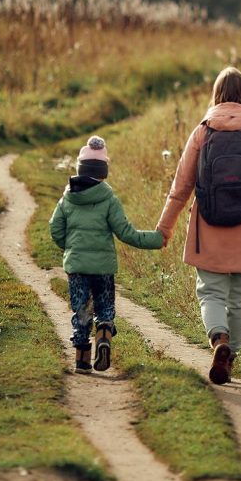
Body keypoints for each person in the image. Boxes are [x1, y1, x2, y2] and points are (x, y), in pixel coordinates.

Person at [157, 67, 241, 384]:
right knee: (240, 299)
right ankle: (231, 358)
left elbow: (181, 187)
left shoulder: (203, 132)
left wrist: (165, 228)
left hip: (209, 228)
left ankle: (220, 342)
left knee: (211, 294)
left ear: (216, 95)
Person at [49, 135, 164, 373]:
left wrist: (69, 248)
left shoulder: (67, 199)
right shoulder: (109, 199)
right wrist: (158, 238)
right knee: (104, 307)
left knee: (81, 310)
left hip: (77, 267)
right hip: (103, 268)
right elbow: (126, 232)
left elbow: (55, 228)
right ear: (104, 172)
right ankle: (103, 334)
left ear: (80, 170)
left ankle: (82, 359)